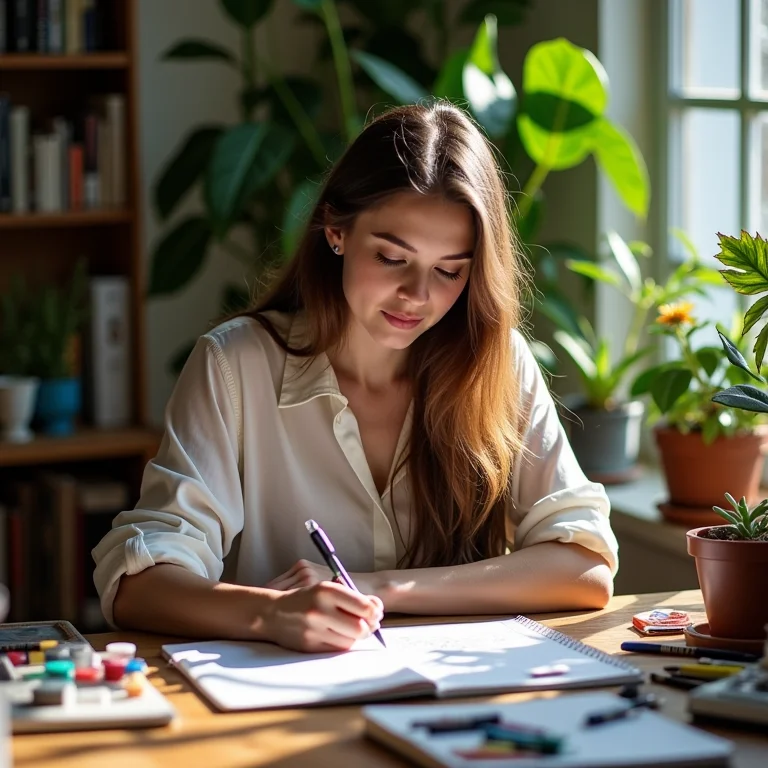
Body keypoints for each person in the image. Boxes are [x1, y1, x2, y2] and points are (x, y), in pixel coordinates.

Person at [94, 102, 618, 653]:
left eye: (449, 271)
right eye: (392, 258)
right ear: (336, 231)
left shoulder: (497, 363)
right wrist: (268, 613)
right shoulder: (236, 364)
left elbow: (584, 567)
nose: (417, 296)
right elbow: (137, 582)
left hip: (454, 690)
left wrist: (380, 589)